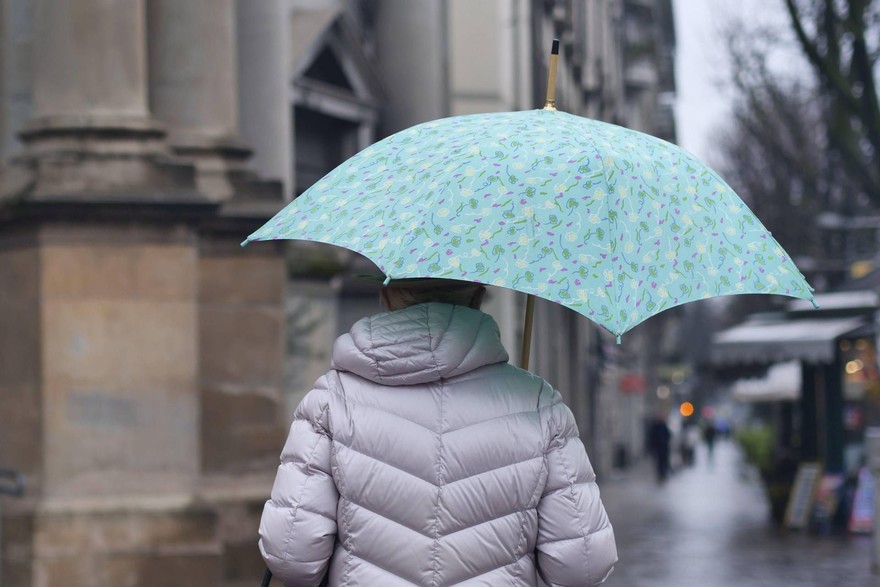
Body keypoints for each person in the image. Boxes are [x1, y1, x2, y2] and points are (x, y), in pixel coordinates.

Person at [259, 278, 617, 586]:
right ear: (478, 297)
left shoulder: (331, 400)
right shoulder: (539, 404)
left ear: (386, 296)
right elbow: (582, 566)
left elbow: (292, 553)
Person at [647, 413, 672, 483]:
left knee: (664, 461)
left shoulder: (664, 426)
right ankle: (660, 473)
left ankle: (663, 472)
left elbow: (668, 435)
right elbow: (652, 437)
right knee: (659, 461)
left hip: (664, 447)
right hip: (658, 448)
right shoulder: (655, 426)